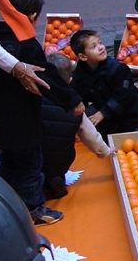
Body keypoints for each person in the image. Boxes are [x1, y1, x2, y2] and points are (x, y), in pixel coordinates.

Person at [0, 0, 84, 225]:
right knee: (30, 162)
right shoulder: (26, 44)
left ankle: (5, 202)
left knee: (10, 160)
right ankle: (33, 209)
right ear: (32, 16)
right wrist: (71, 100)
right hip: (22, 119)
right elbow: (47, 77)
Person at [42, 53, 112, 199]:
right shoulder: (75, 107)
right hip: (59, 161)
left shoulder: (31, 97)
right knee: (55, 168)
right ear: (70, 80)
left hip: (32, 157)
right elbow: (91, 137)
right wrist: (107, 152)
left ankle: (42, 184)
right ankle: (53, 182)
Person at [71, 29, 138, 141]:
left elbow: (122, 96)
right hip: (107, 110)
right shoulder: (80, 71)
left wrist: (103, 113)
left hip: (131, 114)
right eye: (93, 47)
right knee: (85, 116)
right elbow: (76, 90)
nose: (100, 47)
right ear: (83, 57)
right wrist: (77, 105)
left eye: (100, 43)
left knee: (137, 139)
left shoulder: (118, 69)